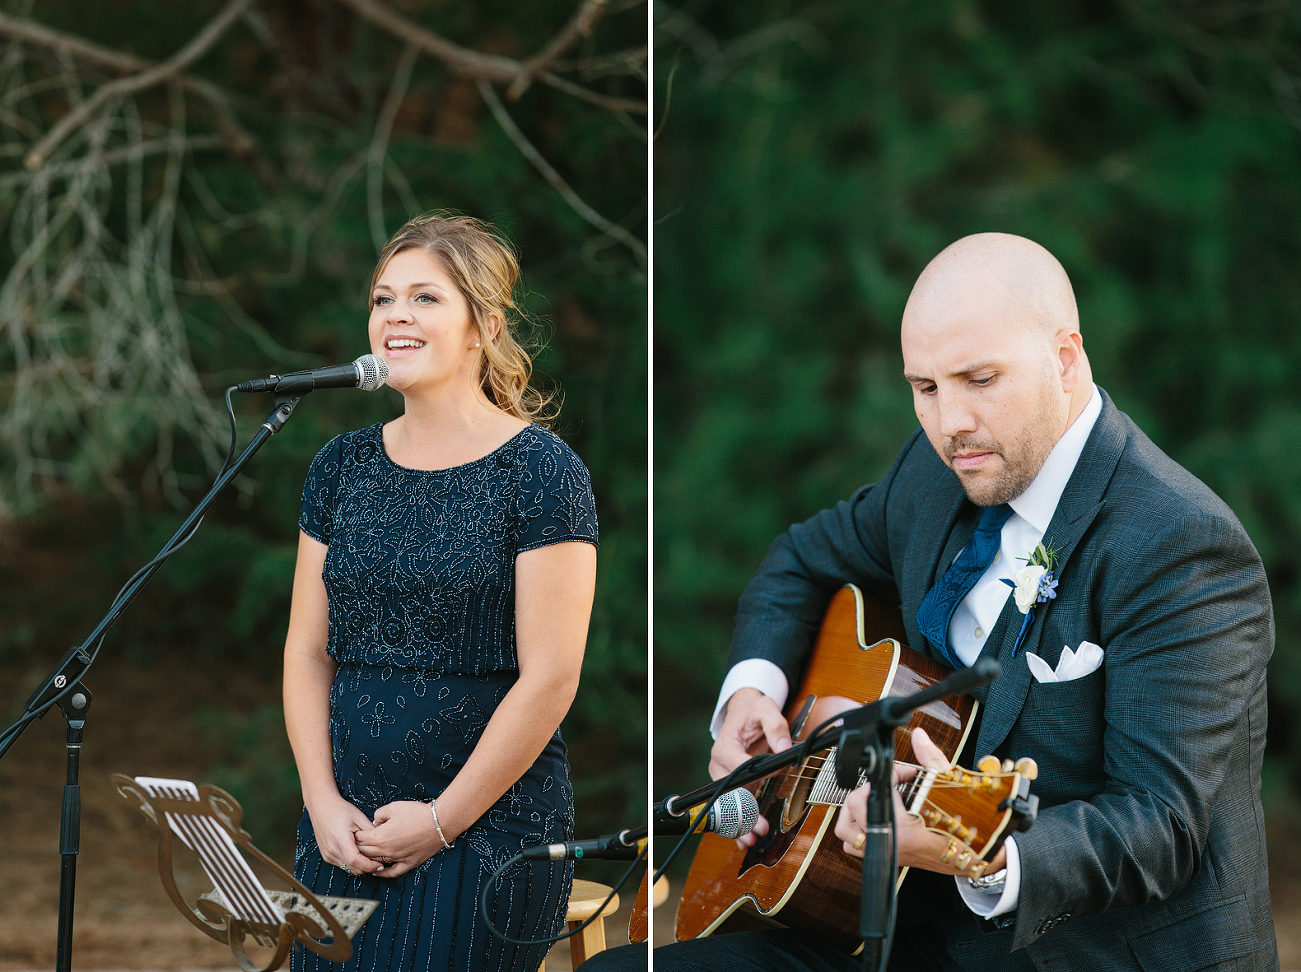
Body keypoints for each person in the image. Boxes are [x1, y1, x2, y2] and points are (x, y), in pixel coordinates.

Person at [653, 233, 1277, 971]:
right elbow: (801, 560)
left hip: (1085, 951)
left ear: (1065, 359)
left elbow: (1159, 825)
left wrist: (979, 855)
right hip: (880, 924)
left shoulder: (1178, 544)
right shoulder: (933, 472)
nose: (949, 423)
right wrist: (751, 695)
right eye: (924, 388)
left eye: (978, 379)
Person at [282, 213, 599, 972]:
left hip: (485, 829)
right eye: (383, 298)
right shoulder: (340, 465)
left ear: (481, 327)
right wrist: (322, 803)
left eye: (425, 298)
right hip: (343, 826)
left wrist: (440, 821)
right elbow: (305, 650)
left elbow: (551, 676)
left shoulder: (541, 473)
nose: (395, 315)